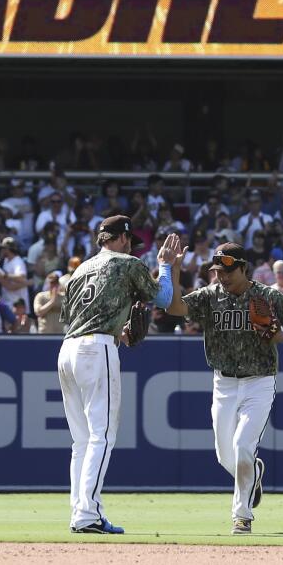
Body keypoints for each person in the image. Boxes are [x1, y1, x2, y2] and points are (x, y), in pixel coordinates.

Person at [164, 241, 283, 535]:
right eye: (218, 270)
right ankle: (253, 473)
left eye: (228, 271)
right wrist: (175, 269)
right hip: (224, 382)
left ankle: (241, 516)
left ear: (245, 268)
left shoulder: (267, 296)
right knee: (225, 456)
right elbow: (175, 307)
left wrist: (280, 336)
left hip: (259, 381)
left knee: (243, 446)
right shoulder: (210, 296)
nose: (222, 276)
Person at [57, 216, 177, 534]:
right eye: (131, 241)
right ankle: (88, 514)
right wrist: (165, 265)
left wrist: (116, 325)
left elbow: (69, 316)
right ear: (122, 238)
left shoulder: (79, 269)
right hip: (97, 349)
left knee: (81, 440)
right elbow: (164, 298)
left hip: (68, 348)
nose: (133, 247)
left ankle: (79, 511)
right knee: (102, 435)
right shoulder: (126, 263)